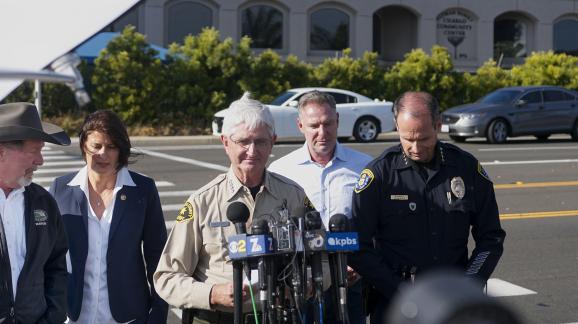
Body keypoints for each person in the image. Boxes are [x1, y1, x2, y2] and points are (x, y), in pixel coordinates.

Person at [348, 91, 506, 324]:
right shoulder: (379, 175)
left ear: (438, 125)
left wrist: (468, 284)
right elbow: (357, 246)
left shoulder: (466, 168)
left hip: (453, 301)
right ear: (396, 126)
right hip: (395, 301)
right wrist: (400, 290)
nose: (415, 147)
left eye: (423, 138)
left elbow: (491, 238)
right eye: (407, 138)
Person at [154, 93, 311, 324]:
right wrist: (211, 293)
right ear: (225, 142)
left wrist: (306, 284)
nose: (252, 151)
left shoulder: (294, 195)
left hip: (280, 315)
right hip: (217, 317)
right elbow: (166, 277)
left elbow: (323, 258)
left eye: (260, 141)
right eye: (243, 141)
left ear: (273, 142)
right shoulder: (201, 202)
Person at [49, 110, 168, 323]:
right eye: (97, 146)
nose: (103, 154)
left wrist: (158, 314)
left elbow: (157, 256)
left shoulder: (143, 190)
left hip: (128, 316)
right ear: (84, 144)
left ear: (121, 150)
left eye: (111, 147)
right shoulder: (60, 189)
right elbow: (46, 257)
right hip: (73, 316)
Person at [268, 90, 371, 323]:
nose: (322, 133)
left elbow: (376, 222)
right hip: (302, 284)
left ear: (338, 121)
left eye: (328, 124)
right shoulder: (280, 170)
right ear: (300, 125)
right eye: (314, 125)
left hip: (350, 279)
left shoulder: (364, 166)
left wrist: (362, 265)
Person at [0, 102, 70, 323]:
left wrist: (53, 317)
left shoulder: (44, 202)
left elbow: (56, 266)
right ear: (1, 153)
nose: (40, 161)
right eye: (34, 151)